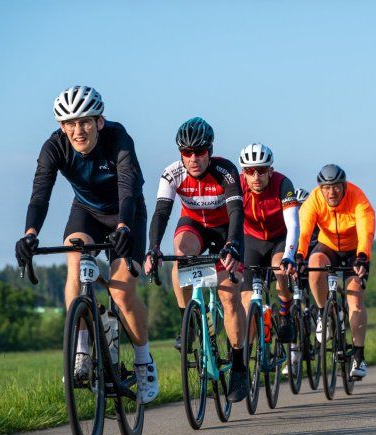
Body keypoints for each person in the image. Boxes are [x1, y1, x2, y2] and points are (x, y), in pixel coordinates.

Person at [15, 86, 158, 403]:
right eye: (70, 124)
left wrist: (123, 226)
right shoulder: (54, 147)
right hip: (86, 212)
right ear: (62, 127)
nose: (78, 130)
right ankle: (80, 348)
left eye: (85, 122)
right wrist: (29, 234)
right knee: (76, 267)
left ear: (99, 122)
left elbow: (128, 184)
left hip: (127, 211)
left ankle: (144, 360)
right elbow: (40, 194)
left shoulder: (118, 138)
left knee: (121, 290)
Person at [143, 117, 248, 402]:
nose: (193, 158)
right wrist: (152, 247)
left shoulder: (225, 171)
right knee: (180, 251)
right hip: (194, 227)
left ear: (209, 150)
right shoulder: (172, 173)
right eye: (186, 152)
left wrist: (233, 245)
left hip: (225, 229)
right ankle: (187, 322)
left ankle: (239, 365)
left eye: (199, 151)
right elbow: (162, 213)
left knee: (229, 297)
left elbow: (237, 212)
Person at [296, 164, 375, 379]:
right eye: (327, 188)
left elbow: (366, 230)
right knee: (314, 266)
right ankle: (325, 314)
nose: (332, 192)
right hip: (328, 245)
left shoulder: (358, 197)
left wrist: (362, 257)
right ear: (320, 188)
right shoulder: (314, 199)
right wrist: (300, 255)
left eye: (337, 187)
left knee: (355, 301)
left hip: (354, 250)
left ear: (344, 185)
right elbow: (304, 231)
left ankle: (359, 356)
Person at [234, 143, 300, 375]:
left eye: (261, 170)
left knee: (279, 269)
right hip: (251, 240)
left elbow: (293, 224)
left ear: (270, 171)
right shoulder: (238, 185)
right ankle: (246, 354)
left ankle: (284, 313)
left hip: (279, 239)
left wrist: (290, 255)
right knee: (245, 302)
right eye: (250, 171)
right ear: (244, 173)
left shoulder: (283, 184)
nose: (256, 176)